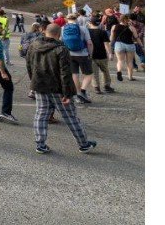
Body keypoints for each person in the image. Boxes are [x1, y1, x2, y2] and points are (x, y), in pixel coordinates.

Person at [26, 23, 97, 154]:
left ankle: (40, 144)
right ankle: (83, 144)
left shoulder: (33, 45)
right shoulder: (61, 49)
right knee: (70, 117)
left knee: (41, 115)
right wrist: (67, 93)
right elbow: (65, 73)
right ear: (59, 34)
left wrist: (34, 81)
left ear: (44, 32)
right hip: (57, 88)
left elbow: (29, 65)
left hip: (40, 85)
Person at [61, 12, 94, 103]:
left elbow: (61, 41)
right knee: (88, 74)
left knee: (74, 74)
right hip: (82, 54)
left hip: (69, 54)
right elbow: (89, 43)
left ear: (67, 19)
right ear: (77, 19)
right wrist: (90, 54)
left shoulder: (63, 28)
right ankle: (83, 91)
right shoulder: (83, 28)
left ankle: (78, 93)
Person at [88, 14, 115, 94]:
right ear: (99, 23)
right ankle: (107, 86)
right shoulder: (103, 32)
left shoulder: (87, 32)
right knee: (105, 71)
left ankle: (97, 88)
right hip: (102, 54)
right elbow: (106, 44)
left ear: (90, 23)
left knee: (94, 72)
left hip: (91, 55)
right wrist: (110, 53)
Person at [110, 15, 142, 81]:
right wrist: (141, 45)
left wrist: (111, 44)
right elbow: (136, 37)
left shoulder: (114, 26)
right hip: (129, 45)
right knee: (129, 61)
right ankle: (130, 77)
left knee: (120, 60)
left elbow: (111, 38)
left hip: (119, 44)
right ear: (127, 19)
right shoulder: (131, 27)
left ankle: (119, 71)